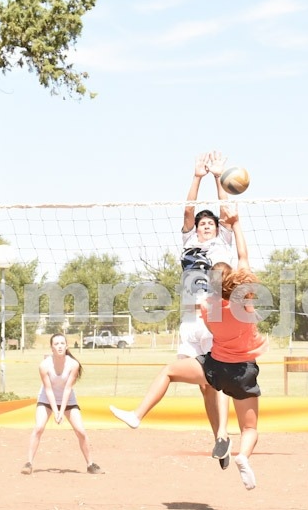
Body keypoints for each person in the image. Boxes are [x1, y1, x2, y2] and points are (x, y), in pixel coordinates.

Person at [111, 210, 266, 490]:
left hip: (216, 367)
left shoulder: (207, 309)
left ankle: (138, 415)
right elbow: (242, 256)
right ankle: (242, 455)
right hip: (244, 370)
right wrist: (238, 224)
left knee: (169, 372)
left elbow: (211, 285)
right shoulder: (245, 301)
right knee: (250, 428)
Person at [179, 151, 237, 468]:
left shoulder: (223, 244)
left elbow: (226, 211)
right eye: (201, 224)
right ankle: (219, 441)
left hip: (215, 317)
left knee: (220, 379)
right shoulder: (188, 241)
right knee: (204, 386)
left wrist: (217, 176)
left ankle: (224, 433)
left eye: (209, 224)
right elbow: (188, 210)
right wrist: (196, 177)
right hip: (190, 320)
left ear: (216, 229)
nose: (204, 226)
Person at [22, 333, 103, 476]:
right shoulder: (44, 365)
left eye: (62, 343)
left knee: (81, 431)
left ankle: (90, 464)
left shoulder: (73, 364)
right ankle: (29, 463)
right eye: (56, 344)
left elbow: (67, 389)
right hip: (46, 398)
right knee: (39, 427)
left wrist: (61, 411)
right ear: (51, 348)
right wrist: (55, 410)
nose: (59, 346)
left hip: (68, 399)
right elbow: (48, 389)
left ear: (66, 346)